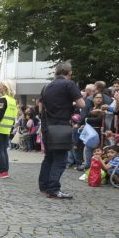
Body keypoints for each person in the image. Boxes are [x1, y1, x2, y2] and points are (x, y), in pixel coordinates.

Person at [38, 61, 84, 199]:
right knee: (60, 158)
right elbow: (82, 104)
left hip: (47, 126)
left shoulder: (46, 86)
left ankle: (44, 186)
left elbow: (40, 107)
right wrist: (72, 103)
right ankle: (53, 189)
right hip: (61, 126)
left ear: (56, 72)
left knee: (49, 156)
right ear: (69, 73)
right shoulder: (69, 84)